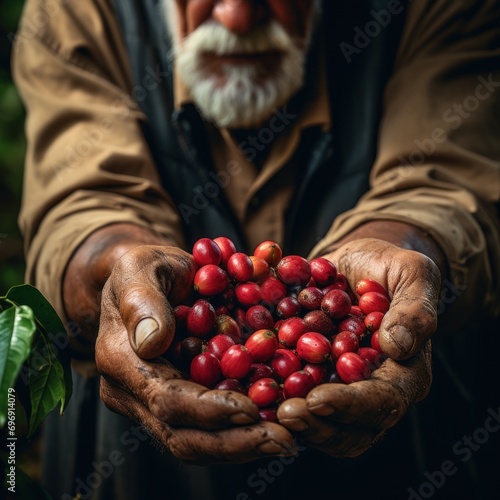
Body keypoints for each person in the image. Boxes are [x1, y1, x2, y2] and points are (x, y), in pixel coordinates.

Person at [11, 0, 500, 498]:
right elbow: (81, 198)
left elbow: (447, 178)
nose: (238, 19)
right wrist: (117, 273)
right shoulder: (74, 9)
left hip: (405, 467)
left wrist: (406, 244)